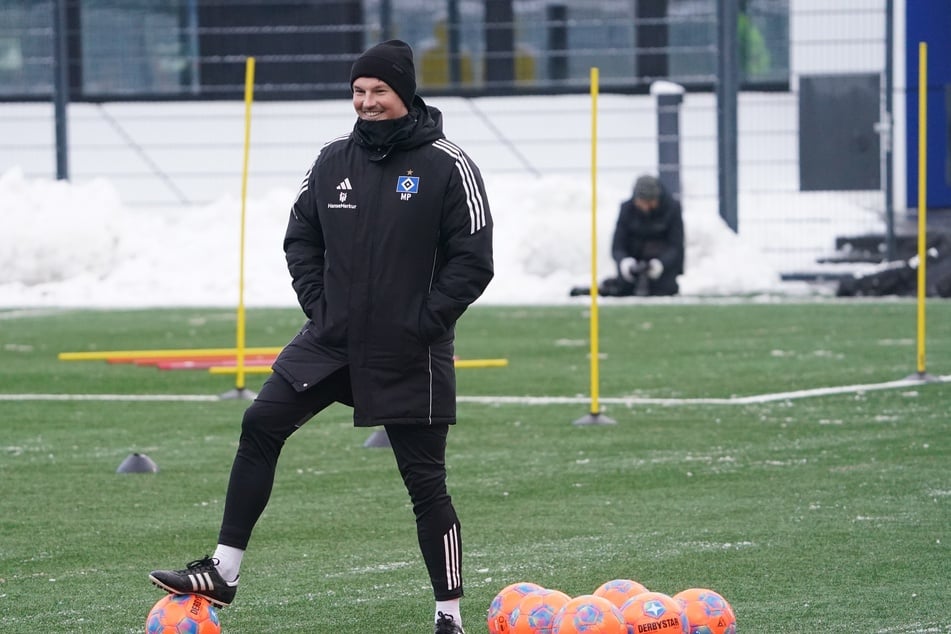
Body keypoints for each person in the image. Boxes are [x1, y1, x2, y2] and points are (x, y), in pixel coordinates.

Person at [148, 39, 493, 634]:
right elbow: (300, 237)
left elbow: (473, 260)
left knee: (425, 483)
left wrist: (424, 322)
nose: (366, 102)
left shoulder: (447, 164)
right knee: (261, 423)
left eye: (378, 91)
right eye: (358, 91)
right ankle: (223, 571)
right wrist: (319, 303)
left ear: (404, 93)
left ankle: (449, 615)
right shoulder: (333, 160)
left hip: (408, 348)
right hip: (332, 338)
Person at [599, 174, 684, 297]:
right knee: (622, 290)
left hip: (662, 269)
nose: (646, 207)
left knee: (664, 289)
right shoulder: (626, 209)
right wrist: (625, 262)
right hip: (632, 264)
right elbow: (617, 245)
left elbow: (675, 246)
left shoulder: (672, 209)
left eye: (650, 202)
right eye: (642, 202)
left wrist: (660, 264)